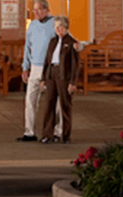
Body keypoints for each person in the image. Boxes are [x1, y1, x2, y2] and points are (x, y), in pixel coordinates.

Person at [17, 1, 59, 142]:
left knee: (54, 100)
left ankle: (57, 132)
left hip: (50, 68)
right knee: (30, 100)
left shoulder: (55, 23)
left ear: (47, 10)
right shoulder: (33, 25)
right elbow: (27, 47)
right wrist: (25, 67)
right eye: (34, 10)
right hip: (35, 67)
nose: (36, 13)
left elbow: (65, 41)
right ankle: (29, 132)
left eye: (39, 9)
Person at [37, 16, 80, 144]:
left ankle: (66, 136)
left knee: (65, 106)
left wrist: (73, 82)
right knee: (49, 105)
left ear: (66, 28)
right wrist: (43, 78)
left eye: (61, 26)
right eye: (56, 27)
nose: (58, 29)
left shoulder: (72, 43)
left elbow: (75, 65)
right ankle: (47, 135)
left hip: (64, 77)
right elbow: (47, 61)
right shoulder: (52, 41)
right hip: (51, 74)